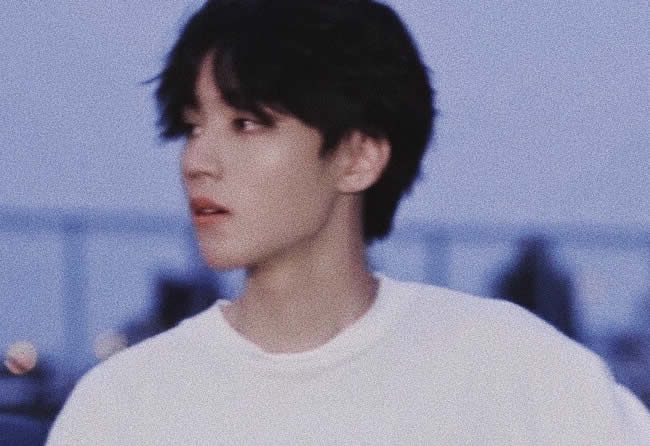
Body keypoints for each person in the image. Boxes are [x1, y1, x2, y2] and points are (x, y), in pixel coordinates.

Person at [47, 0, 649, 444]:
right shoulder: (123, 407)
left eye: (246, 124)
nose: (197, 162)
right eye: (193, 127)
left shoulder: (517, 373)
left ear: (359, 157)